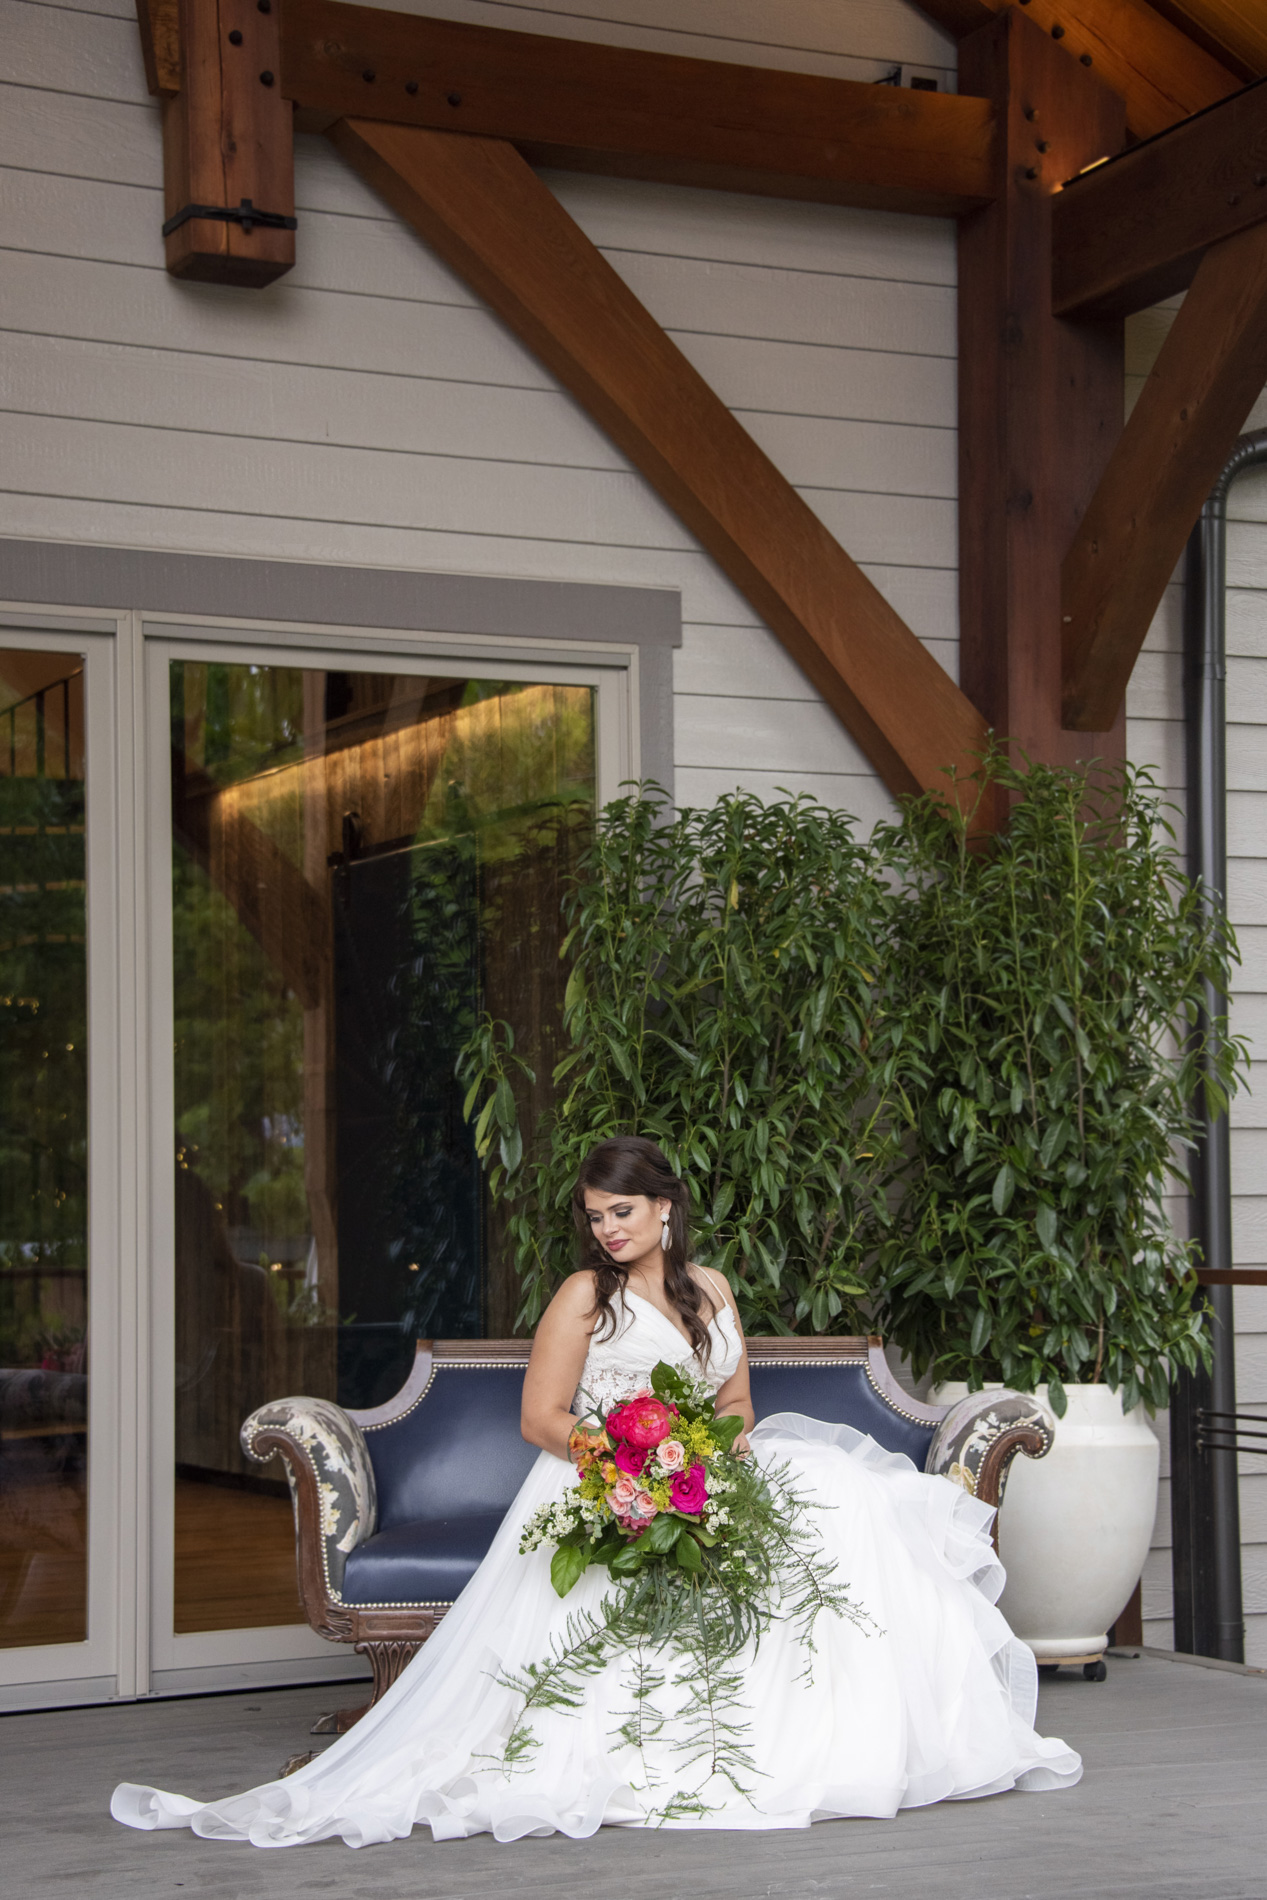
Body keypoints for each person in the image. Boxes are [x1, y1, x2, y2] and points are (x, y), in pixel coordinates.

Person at [112, 1135, 1080, 1847]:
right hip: (591, 1471)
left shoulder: (711, 1285)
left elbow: (738, 1399)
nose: (606, 1229)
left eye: (620, 1211)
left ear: (663, 1208)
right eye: (594, 1215)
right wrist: (633, 1463)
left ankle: (832, 1734)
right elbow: (539, 1416)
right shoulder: (585, 1296)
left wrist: (708, 1456)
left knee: (846, 1510)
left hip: (701, 1463)